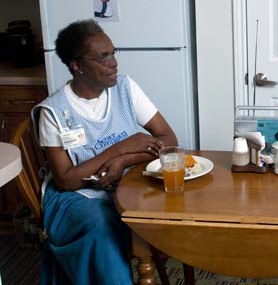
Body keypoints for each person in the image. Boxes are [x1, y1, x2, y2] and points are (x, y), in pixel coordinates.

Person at [31, 19, 178, 284]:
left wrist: (123, 160)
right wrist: (122, 146)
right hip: (77, 196)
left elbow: (168, 140)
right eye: (103, 57)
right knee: (101, 229)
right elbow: (66, 180)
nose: (113, 63)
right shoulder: (53, 112)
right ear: (77, 66)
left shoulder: (126, 88)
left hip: (127, 183)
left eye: (113, 53)